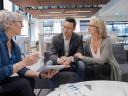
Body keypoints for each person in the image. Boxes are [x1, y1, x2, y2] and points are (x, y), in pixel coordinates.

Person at [0, 10, 56, 96]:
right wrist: (24, 62)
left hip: (3, 80)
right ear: (8, 24)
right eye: (20, 22)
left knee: (30, 79)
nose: (22, 25)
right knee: (23, 84)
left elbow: (21, 70)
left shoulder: (15, 47)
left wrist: (40, 75)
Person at [75, 16, 122, 81]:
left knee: (96, 67)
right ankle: (89, 87)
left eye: (91, 26)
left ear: (98, 28)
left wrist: (82, 57)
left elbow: (102, 61)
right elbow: (88, 56)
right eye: (88, 25)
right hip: (95, 65)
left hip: (107, 64)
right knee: (88, 68)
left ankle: (99, 88)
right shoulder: (88, 40)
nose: (88, 28)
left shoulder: (106, 41)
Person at [46, 17, 86, 89]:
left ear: (74, 29)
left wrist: (69, 59)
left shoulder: (78, 38)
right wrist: (60, 60)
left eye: (69, 28)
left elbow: (80, 53)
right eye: (64, 27)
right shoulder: (55, 38)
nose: (65, 30)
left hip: (72, 64)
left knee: (81, 65)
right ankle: (53, 91)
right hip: (59, 65)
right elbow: (52, 54)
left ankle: (78, 89)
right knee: (49, 63)